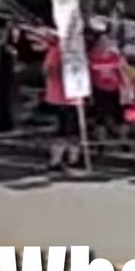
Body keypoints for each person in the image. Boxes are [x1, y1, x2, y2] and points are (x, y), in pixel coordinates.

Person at [42, 36, 84, 172]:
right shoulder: (57, 50)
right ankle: (55, 160)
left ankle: (74, 158)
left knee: (76, 130)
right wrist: (65, 73)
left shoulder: (78, 52)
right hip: (61, 96)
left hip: (75, 96)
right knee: (64, 130)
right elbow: (48, 71)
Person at [88, 32, 132, 151]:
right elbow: (89, 75)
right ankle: (101, 143)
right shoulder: (92, 57)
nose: (104, 44)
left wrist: (127, 89)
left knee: (120, 118)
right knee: (100, 118)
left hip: (115, 90)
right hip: (99, 91)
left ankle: (124, 141)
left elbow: (124, 73)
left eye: (107, 42)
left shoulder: (115, 56)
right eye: (102, 42)